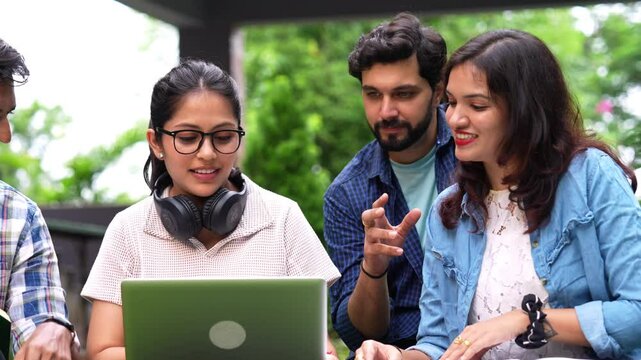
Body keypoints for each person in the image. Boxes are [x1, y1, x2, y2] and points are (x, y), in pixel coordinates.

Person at [355, 29, 641, 360]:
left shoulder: (590, 176)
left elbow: (636, 311)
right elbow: (439, 344)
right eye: (451, 102)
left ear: (524, 109)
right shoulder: (449, 210)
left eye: (476, 105)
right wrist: (395, 357)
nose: (454, 118)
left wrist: (526, 320)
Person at [81, 59, 341, 360]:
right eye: (188, 138)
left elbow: (319, 349)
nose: (207, 154)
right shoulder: (128, 229)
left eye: (223, 137)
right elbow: (101, 352)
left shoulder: (283, 219)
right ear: (156, 142)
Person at [323, 12, 456, 358]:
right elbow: (359, 333)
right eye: (372, 94)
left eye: (403, 94)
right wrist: (373, 267)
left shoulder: (474, 152)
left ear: (437, 90)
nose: (386, 111)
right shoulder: (347, 193)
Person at [0, 38, 78, 360]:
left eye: (7, 115)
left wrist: (53, 332)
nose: (5, 135)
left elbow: (36, 330)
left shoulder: (18, 217)